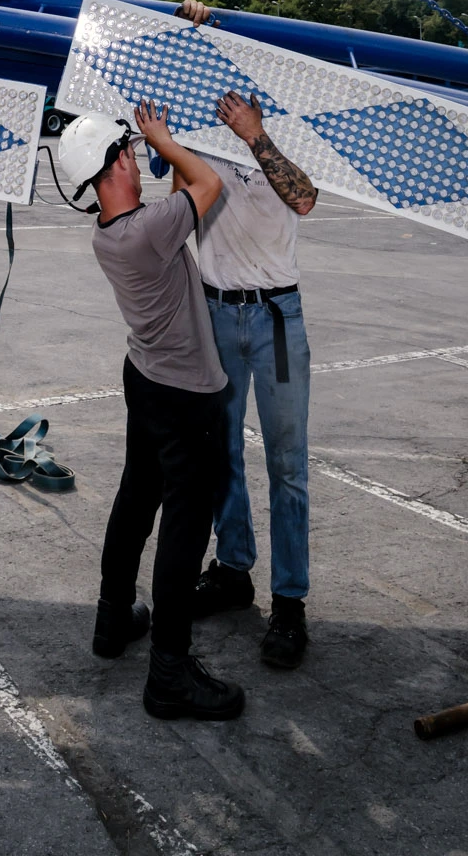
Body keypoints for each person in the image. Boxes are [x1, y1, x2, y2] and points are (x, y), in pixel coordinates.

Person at [58, 93, 245, 722]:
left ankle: (113, 620)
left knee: (137, 499)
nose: (139, 160)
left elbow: (178, 198)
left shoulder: (115, 231)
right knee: (185, 526)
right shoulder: (148, 231)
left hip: (145, 377)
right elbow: (208, 183)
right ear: (114, 164)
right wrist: (166, 140)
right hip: (184, 393)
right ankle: (169, 673)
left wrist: (163, 153)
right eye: (132, 154)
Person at [189, 70, 319, 671]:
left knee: (287, 464)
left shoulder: (295, 133)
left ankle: (289, 603)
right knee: (220, 452)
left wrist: (255, 136)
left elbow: (305, 198)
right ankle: (233, 569)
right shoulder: (199, 134)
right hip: (216, 313)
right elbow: (178, 200)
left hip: (276, 320)